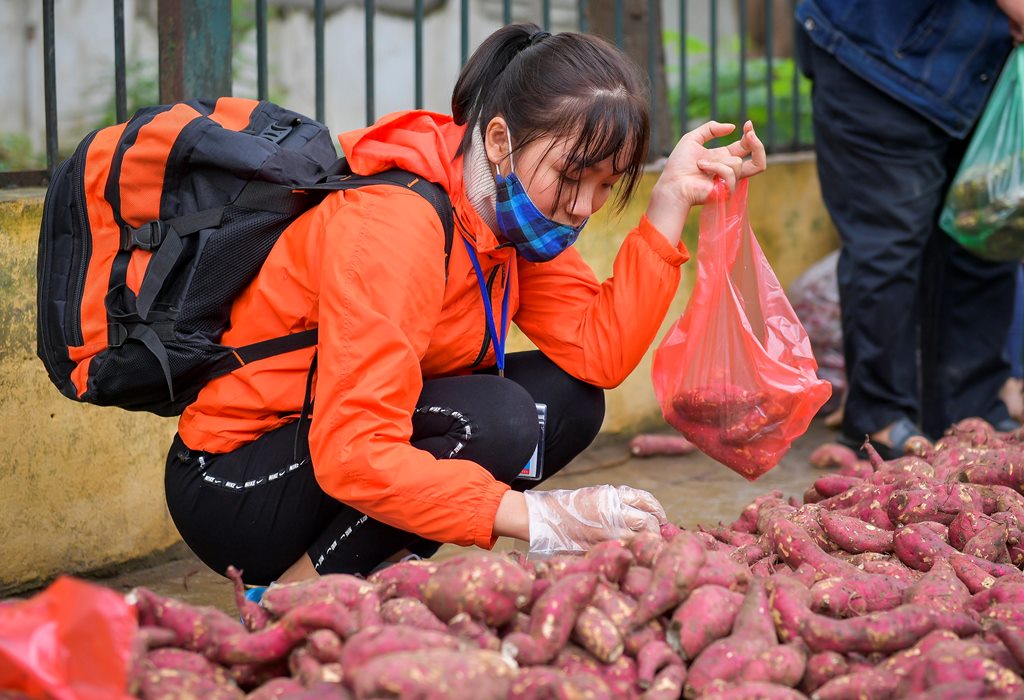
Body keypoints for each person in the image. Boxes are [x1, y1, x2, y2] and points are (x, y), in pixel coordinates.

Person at [163, 23, 767, 586]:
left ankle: (379, 573)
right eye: (573, 176)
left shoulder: (510, 215)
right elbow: (353, 453)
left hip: (335, 446)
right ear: (500, 140)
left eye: (607, 185)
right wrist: (540, 519)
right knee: (497, 418)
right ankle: (297, 594)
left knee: (568, 404)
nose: (585, 206)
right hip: (236, 479)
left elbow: (598, 354)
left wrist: (669, 204)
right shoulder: (396, 224)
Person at [794, 1, 1024, 459]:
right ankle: (880, 421)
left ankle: (970, 413)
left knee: (983, 235)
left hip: (983, 73)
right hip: (881, 62)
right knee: (887, 247)